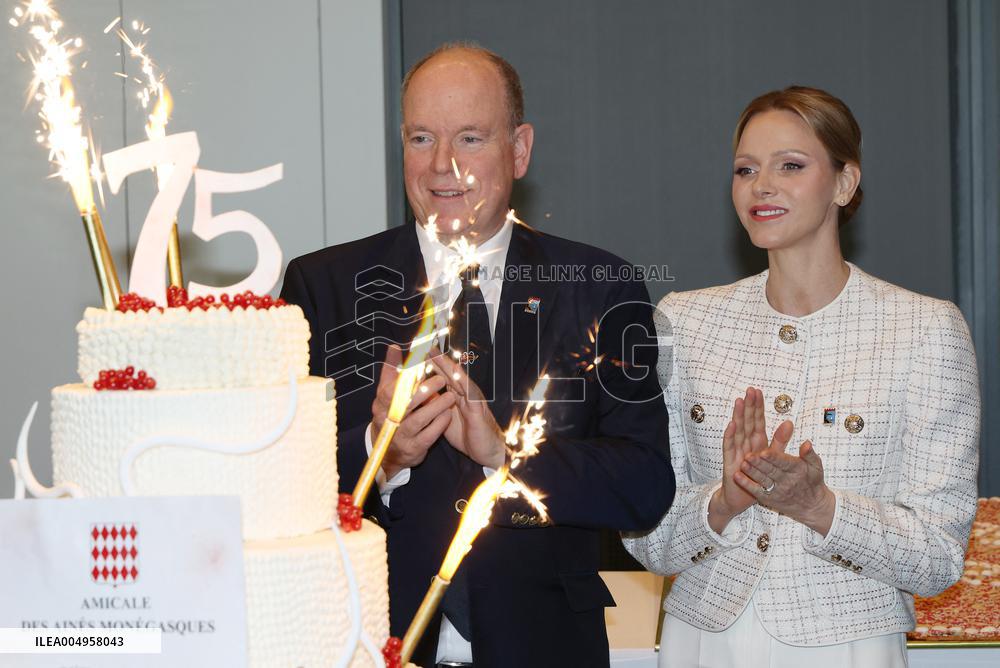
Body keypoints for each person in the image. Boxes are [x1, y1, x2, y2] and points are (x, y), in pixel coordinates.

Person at [281, 43, 674, 668]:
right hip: (369, 640)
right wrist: (381, 452)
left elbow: (644, 484)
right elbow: (283, 477)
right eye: (421, 138)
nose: (443, 165)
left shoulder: (600, 286)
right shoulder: (323, 285)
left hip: (546, 649)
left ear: (519, 149)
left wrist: (505, 458)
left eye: (470, 138)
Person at [623, 86, 980, 667]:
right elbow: (646, 534)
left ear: (844, 183)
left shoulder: (924, 330)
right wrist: (723, 502)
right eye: (745, 169)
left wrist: (819, 506)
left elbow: (938, 558)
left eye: (790, 165)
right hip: (702, 641)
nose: (761, 186)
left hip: (849, 646)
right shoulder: (683, 322)